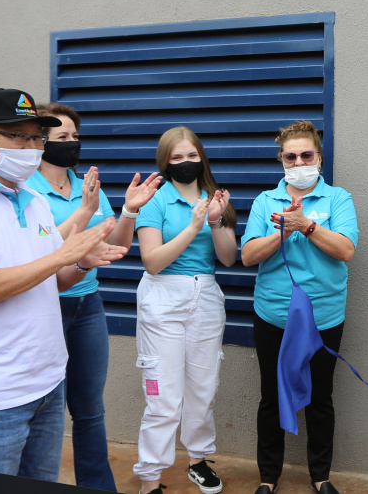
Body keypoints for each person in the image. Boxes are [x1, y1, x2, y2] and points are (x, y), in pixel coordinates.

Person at [0, 88, 127, 491]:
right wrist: (64, 254)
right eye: (17, 136)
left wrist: (81, 262)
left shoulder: (32, 198)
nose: (31, 147)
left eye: (36, 137)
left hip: (47, 384)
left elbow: (54, 278)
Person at [26, 102, 162, 491]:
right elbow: (46, 254)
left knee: (90, 412)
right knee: (41, 409)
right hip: (44, 308)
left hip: (88, 307)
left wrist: (130, 214)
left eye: (74, 136)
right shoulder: (27, 191)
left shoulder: (89, 185)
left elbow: (112, 245)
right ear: (40, 142)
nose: (71, 143)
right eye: (61, 137)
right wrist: (83, 216)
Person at [241, 121, 358, 494]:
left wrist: (306, 224)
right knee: (272, 397)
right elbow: (247, 255)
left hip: (324, 317)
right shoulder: (265, 201)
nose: (299, 162)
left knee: (321, 399)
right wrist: (283, 231)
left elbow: (346, 250)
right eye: (291, 156)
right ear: (281, 161)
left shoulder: (338, 199)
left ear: (319, 158)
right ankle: (268, 478)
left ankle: (321, 477)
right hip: (273, 315)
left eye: (306, 155)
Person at [133, 126, 238, 494]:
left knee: (203, 387)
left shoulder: (215, 199)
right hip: (163, 298)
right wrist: (194, 227)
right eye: (176, 157)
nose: (185, 163)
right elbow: (153, 262)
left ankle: (198, 460)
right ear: (165, 162)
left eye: (191, 156)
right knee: (163, 395)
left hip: (206, 295)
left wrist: (213, 220)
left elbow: (227, 259)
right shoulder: (155, 201)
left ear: (201, 157)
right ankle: (150, 479)